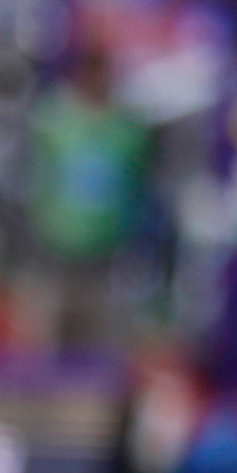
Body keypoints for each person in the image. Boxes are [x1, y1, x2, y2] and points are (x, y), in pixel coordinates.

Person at [20, 40, 150, 350]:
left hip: (107, 259)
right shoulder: (53, 123)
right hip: (55, 254)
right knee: (45, 346)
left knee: (102, 351)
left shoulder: (130, 131)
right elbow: (34, 179)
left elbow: (140, 186)